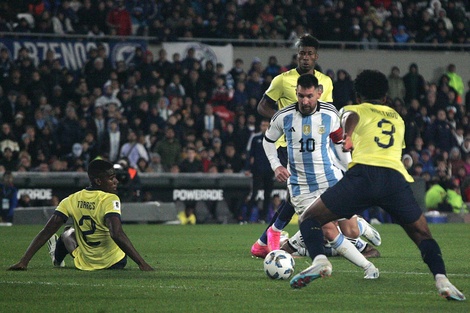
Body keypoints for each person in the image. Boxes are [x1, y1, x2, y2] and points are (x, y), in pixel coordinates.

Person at [289, 70, 465, 302]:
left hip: (362, 176)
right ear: (384, 97)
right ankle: (442, 280)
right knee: (422, 234)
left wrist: (348, 135)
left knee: (309, 219)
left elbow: (352, 117)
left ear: (358, 96)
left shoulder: (354, 109)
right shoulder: (397, 118)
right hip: (394, 180)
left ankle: (321, 261)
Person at [262, 73, 379, 279]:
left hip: (330, 180)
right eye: (300, 96)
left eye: (309, 96)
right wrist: (276, 166)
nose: (304, 101)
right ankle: (368, 268)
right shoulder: (283, 116)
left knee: (350, 231)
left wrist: (349, 168)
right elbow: (268, 141)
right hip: (301, 187)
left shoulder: (330, 113)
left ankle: (360, 225)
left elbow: (337, 143)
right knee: (327, 230)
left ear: (319, 93)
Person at [252, 34, 333, 257]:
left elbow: (327, 114)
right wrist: (285, 120)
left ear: (316, 56)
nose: (305, 57)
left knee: (296, 195)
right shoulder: (281, 80)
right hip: (286, 145)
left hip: (314, 146)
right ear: (297, 55)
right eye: (302, 53)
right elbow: (262, 107)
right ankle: (274, 238)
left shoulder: (325, 82)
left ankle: (264, 241)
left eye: (309, 54)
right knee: (296, 194)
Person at [8, 159, 153, 271]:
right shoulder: (110, 198)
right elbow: (116, 233)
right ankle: (57, 256)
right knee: (72, 231)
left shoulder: (71, 199)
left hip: (85, 264)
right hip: (115, 263)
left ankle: (57, 258)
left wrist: (24, 261)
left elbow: (47, 230)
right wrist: (142, 263)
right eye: (111, 178)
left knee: (67, 233)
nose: (116, 181)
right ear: (98, 181)